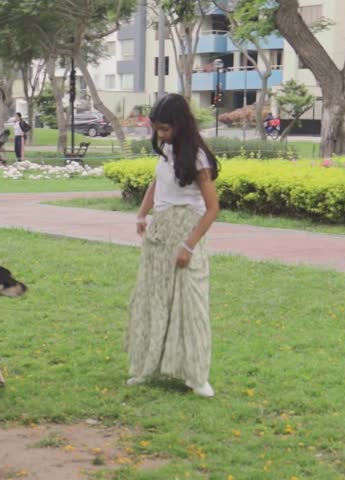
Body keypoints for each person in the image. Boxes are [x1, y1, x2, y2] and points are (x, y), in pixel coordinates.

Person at [125, 93, 220, 398]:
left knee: (189, 303)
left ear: (180, 124)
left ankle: (196, 375)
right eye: (158, 129)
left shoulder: (198, 157)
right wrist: (142, 214)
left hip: (185, 231)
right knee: (153, 298)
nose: (161, 135)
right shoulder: (166, 149)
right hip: (160, 230)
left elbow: (212, 209)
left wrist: (189, 245)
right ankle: (148, 366)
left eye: (166, 129)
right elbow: (157, 183)